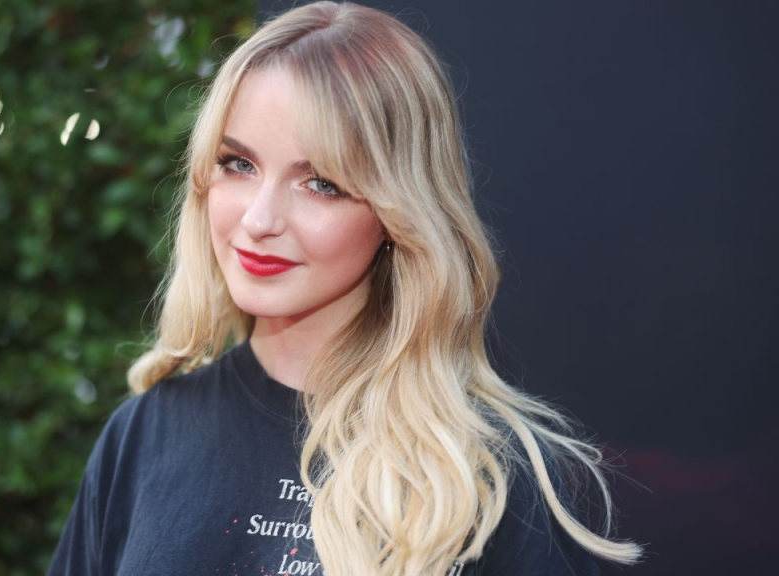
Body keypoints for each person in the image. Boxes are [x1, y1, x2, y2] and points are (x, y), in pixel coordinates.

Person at [47, 2, 644, 574]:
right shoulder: (143, 435)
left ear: (398, 214)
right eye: (239, 164)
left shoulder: (491, 477)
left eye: (321, 183)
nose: (259, 219)